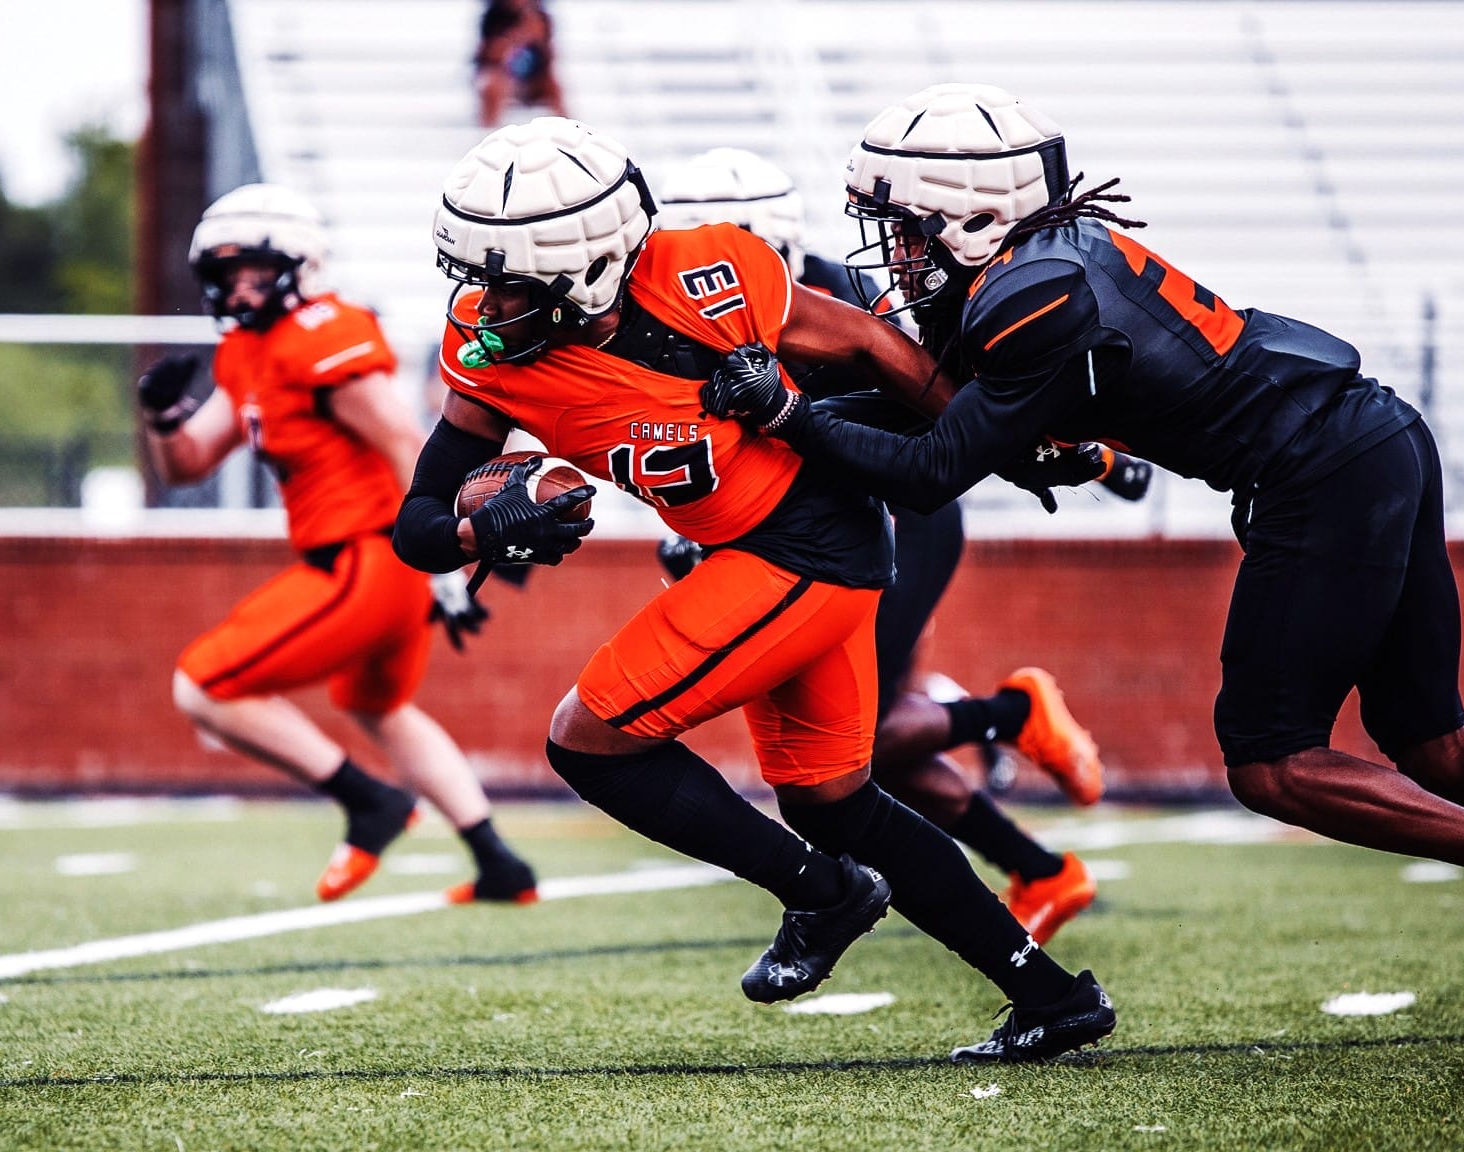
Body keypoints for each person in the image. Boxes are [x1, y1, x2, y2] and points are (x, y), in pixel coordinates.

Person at [701, 84, 1464, 1072]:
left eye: (907, 227)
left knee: (1269, 762)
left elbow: (930, 471)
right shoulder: (1048, 257)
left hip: (1313, 471)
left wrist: (786, 419)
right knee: (1429, 736)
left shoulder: (1027, 292)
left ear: (974, 214)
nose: (896, 251)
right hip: (1368, 434)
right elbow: (1050, 399)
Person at [391, 117, 1117, 1063]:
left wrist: (990, 440)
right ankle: (1049, 995)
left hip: (801, 544)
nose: (482, 304)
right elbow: (415, 524)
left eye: (506, 283)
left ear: (583, 271)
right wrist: (477, 531)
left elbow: (863, 341)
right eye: (474, 279)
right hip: (768, 547)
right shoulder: (494, 359)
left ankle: (823, 893)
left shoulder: (715, 270)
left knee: (592, 741)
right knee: (834, 802)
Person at [655, 146, 1136, 943]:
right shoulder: (671, 308)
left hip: (889, 523)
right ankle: (1040, 870)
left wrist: (1095, 454)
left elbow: (956, 400)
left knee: (859, 742)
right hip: (809, 529)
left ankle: (1008, 713)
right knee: (872, 754)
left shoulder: (838, 301)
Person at [137, 183, 537, 906]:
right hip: (369, 560)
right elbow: (190, 460)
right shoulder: (251, 350)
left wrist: (451, 556)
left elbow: (406, 442)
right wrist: (165, 417)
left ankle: (369, 804)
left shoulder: (324, 333)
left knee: (203, 684)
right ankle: (501, 865)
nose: (237, 285)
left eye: (252, 267)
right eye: (224, 272)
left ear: (299, 261)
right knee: (376, 705)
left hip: (371, 555)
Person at [474, 0, 568, 128]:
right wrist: (517, 37)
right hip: (504, 75)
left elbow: (549, 57)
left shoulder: (542, 18)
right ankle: (488, 131)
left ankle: (568, 131)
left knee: (554, 87)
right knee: (492, 86)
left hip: (533, 76)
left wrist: (537, 37)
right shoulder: (493, 18)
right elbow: (489, 56)